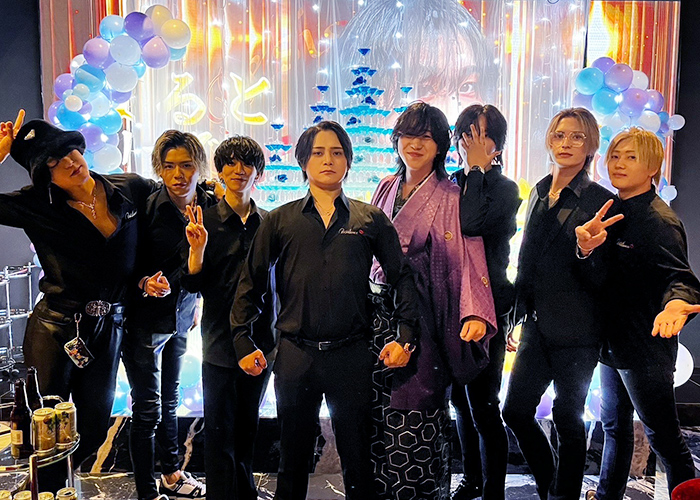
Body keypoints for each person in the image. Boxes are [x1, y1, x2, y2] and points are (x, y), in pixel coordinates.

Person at [230, 120, 420, 500]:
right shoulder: (279, 220)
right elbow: (250, 281)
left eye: (336, 152)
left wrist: (405, 336)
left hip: (351, 355)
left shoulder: (369, 219)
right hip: (295, 355)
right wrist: (242, 339)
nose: (328, 160)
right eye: (318, 153)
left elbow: (401, 277)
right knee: (292, 459)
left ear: (348, 161)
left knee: (358, 458)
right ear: (304, 162)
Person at [0, 112, 155, 490]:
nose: (70, 162)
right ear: (44, 174)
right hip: (55, 328)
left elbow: (170, 203)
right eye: (54, 161)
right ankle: (48, 491)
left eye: (70, 151)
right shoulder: (36, 205)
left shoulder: (129, 188)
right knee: (47, 425)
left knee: (95, 426)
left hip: (109, 327)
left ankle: (46, 487)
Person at [369, 102, 497, 500]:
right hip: (377, 315)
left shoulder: (451, 195)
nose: (415, 144)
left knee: (417, 401)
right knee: (376, 407)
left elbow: (467, 254)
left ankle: (419, 490)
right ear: (396, 140)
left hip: (426, 317)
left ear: (441, 145)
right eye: (408, 135)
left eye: (425, 137)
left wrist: (474, 312)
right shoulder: (385, 186)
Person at [576, 128, 700, 498]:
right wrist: (584, 249)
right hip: (611, 344)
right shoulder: (609, 211)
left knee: (664, 438)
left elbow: (681, 280)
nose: (619, 164)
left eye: (631, 157)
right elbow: (598, 275)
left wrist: (676, 306)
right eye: (615, 156)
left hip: (645, 349)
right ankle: (607, 495)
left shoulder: (660, 220)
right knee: (614, 428)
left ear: (652, 168)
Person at [502, 107, 615, 500]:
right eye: (560, 135)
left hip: (578, 331)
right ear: (550, 140)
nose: (566, 143)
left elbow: (604, 279)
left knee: (568, 418)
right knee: (515, 411)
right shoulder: (537, 191)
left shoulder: (600, 201)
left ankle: (563, 495)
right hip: (536, 325)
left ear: (590, 146)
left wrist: (587, 250)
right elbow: (528, 261)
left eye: (577, 136)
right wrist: (514, 317)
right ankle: (551, 483)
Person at [181, 136, 276, 500]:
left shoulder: (270, 223)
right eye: (230, 163)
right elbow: (192, 284)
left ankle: (246, 493)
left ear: (258, 173)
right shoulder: (203, 222)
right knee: (220, 433)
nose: (239, 170)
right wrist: (197, 251)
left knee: (247, 427)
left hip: (261, 341)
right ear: (219, 172)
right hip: (220, 342)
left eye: (247, 163)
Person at [121, 131, 214, 500]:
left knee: (171, 400)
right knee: (147, 409)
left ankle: (172, 475)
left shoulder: (211, 204)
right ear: (159, 169)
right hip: (145, 321)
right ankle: (147, 491)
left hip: (181, 318)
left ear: (199, 167)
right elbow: (123, 265)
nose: (178, 174)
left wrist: (197, 303)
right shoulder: (146, 210)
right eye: (170, 166)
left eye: (186, 165)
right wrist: (145, 282)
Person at [449, 104, 521, 500]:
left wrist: (476, 168)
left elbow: (470, 223)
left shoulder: (505, 189)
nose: (473, 142)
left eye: (484, 134)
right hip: (451, 305)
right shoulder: (450, 182)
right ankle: (471, 479)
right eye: (467, 133)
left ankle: (493, 490)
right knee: (460, 401)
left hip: (489, 307)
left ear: (498, 144)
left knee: (483, 403)